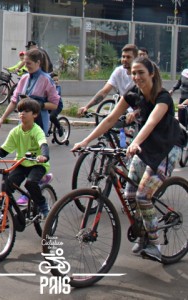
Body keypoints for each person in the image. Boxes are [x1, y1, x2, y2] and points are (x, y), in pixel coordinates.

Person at [71, 57, 185, 262]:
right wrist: (85, 142)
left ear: (152, 73)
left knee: (142, 196)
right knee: (129, 194)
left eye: (141, 72)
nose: (137, 77)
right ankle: (143, 232)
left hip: (167, 147)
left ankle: (155, 242)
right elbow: (110, 119)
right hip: (146, 146)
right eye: (133, 73)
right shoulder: (132, 95)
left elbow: (150, 123)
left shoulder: (163, 97)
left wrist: (135, 143)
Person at [0, 98, 50, 219]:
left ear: (35, 114)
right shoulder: (15, 131)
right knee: (7, 185)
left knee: (31, 183)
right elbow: (3, 150)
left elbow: (43, 144)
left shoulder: (37, 130)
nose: (22, 113)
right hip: (21, 164)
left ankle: (43, 205)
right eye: (20, 111)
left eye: (26, 111)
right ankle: (6, 212)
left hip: (37, 164)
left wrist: (44, 156)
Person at [0, 49, 60, 134]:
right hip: (23, 124)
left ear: (38, 63)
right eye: (25, 63)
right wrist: (2, 119)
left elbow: (54, 105)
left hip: (39, 124)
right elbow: (14, 101)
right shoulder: (24, 78)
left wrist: (39, 104)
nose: (26, 66)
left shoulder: (46, 80)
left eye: (29, 63)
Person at [78, 44, 138, 115]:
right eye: (123, 57)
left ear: (135, 58)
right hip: (124, 109)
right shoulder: (118, 71)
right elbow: (104, 92)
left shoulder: (139, 74)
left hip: (138, 110)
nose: (124, 59)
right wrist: (87, 107)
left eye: (128, 57)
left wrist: (136, 112)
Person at [50, 72, 64, 136]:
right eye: (54, 80)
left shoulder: (58, 87)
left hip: (57, 106)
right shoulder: (47, 87)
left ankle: (59, 127)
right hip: (49, 105)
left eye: (57, 80)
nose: (56, 82)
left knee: (52, 116)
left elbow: (56, 94)